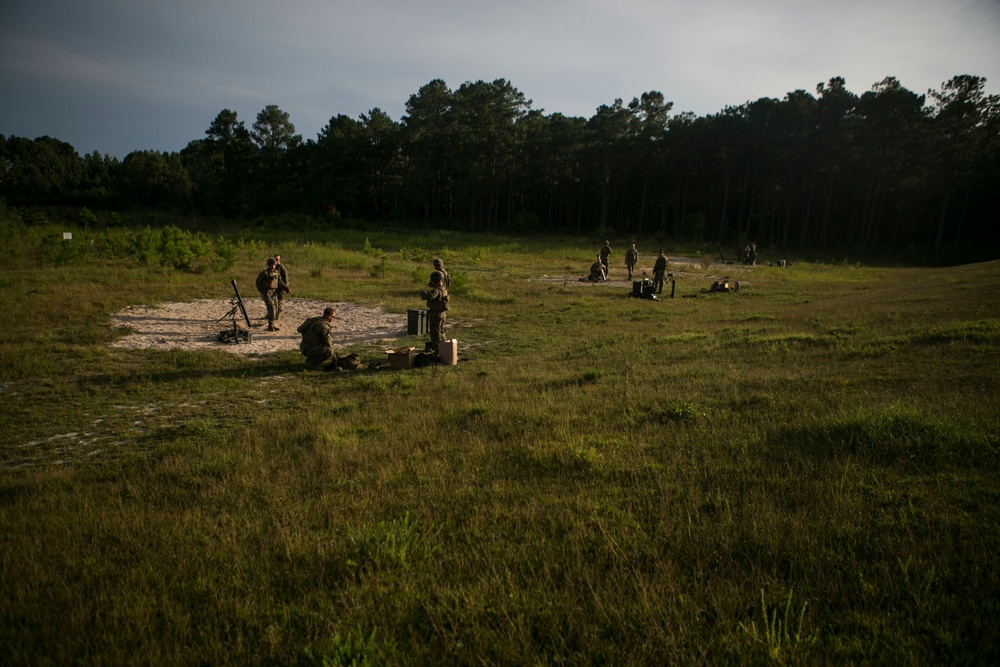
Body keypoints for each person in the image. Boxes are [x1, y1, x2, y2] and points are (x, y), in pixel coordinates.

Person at [420, 270, 450, 353]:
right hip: (442, 314)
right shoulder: (443, 288)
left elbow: (430, 297)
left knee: (435, 332)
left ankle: (437, 350)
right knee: (441, 331)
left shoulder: (437, 290)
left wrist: (423, 293)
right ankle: (444, 346)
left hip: (436, 314)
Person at [255, 257, 288, 331]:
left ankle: (272, 324)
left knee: (275, 310)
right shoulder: (264, 273)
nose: (273, 266)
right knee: (271, 310)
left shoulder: (276, 273)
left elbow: (280, 282)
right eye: (272, 265)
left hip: (274, 294)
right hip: (267, 294)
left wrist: (286, 288)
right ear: (269, 265)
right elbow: (258, 282)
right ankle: (270, 325)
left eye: (274, 265)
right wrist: (262, 291)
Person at [273, 254, 289, 321]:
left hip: (281, 287)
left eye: (277, 259)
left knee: (280, 301)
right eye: (275, 259)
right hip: (273, 286)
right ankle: (271, 313)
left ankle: (278, 314)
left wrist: (286, 287)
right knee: (272, 300)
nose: (276, 261)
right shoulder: (273, 267)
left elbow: (286, 278)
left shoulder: (282, 268)